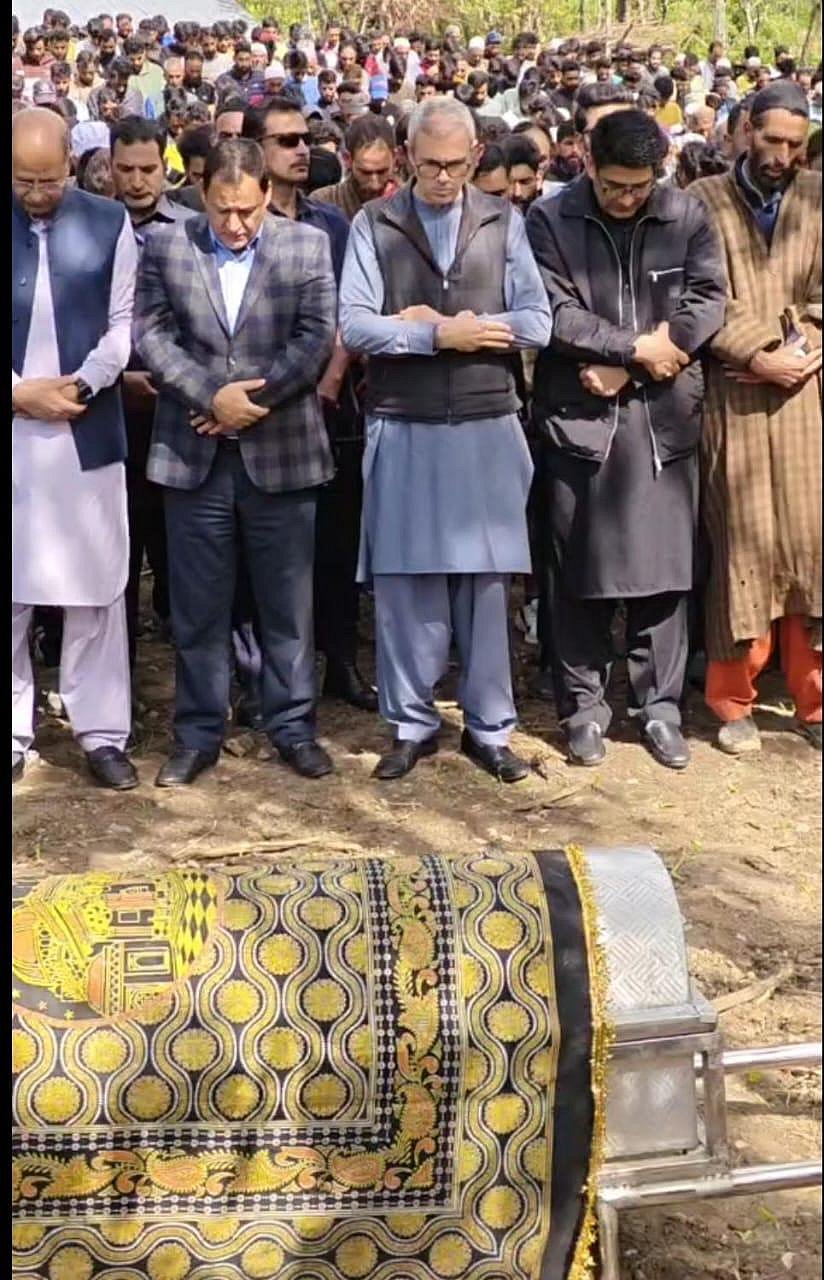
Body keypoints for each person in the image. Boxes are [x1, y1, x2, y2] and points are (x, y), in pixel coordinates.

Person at [339, 97, 552, 781]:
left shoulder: (502, 219)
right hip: (403, 422)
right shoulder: (375, 222)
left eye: (455, 165)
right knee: (405, 583)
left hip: (488, 421)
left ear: (476, 158)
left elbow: (539, 321)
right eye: (428, 164)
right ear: (406, 156)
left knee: (487, 584)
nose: (441, 177)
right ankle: (410, 723)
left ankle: (490, 728)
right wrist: (431, 336)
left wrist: (466, 327)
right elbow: (355, 326)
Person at [133, 137, 338, 786]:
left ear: (267, 196)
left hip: (281, 452)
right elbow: (151, 335)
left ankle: (292, 726)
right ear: (203, 196)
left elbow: (315, 339)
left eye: (248, 210)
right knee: (198, 608)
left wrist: (252, 403)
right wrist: (208, 397)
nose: (236, 224)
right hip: (193, 457)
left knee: (286, 605)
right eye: (223, 210)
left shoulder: (305, 246)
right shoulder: (168, 245)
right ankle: (197, 735)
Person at [526, 109, 726, 770]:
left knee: (666, 573)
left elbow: (707, 299)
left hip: (664, 416)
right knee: (578, 567)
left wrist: (643, 357)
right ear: (586, 161)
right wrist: (632, 349)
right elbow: (553, 312)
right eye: (614, 184)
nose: (626, 198)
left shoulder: (686, 216)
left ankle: (660, 705)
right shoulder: (551, 220)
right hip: (582, 415)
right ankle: (581, 706)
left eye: (639, 186)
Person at [690, 82, 822, 752]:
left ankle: (814, 701)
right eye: (771, 140)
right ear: (744, 129)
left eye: (795, 145)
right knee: (741, 542)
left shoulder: (819, 198)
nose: (782, 156)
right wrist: (755, 352)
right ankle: (732, 700)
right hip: (734, 396)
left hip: (806, 397)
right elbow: (695, 296)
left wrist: (803, 348)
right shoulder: (700, 202)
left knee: (811, 542)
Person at [13, 107, 138, 789]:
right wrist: (20, 395)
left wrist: (84, 385)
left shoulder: (108, 222)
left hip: (84, 427)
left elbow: (122, 325)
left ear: (71, 162)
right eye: (23, 181)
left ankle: (101, 732)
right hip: (14, 429)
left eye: (48, 179)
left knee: (96, 587)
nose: (37, 193)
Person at [242, 98, 373, 713]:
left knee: (336, 540)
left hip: (329, 409)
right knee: (261, 553)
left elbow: (352, 313)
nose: (301, 150)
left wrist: (329, 380)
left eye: (305, 139)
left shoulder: (332, 226)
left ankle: (339, 660)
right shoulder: (235, 223)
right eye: (286, 140)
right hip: (257, 413)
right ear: (254, 151)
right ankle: (258, 675)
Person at [110, 116, 193, 672]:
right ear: (108, 169)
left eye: (147, 169)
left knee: (179, 545)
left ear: (164, 165)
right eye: (125, 170)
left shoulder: (193, 228)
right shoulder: (90, 226)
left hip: (180, 407)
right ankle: (119, 674)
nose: (138, 181)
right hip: (108, 406)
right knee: (119, 544)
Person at [311, 114, 396, 218]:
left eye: (382, 172)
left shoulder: (410, 203)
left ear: (395, 157)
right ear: (347, 159)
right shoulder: (322, 203)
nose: (375, 184)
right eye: (365, 173)